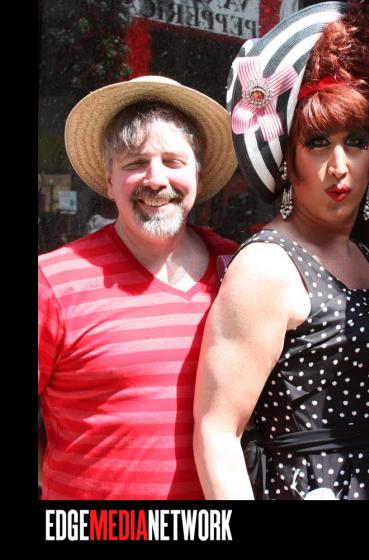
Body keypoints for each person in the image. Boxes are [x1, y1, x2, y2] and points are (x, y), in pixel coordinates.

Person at [193, 0, 369, 500]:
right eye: (318, 143)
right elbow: (216, 433)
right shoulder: (267, 267)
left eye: (355, 141)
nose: (339, 165)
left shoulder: (364, 257)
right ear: (287, 160)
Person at [38, 75, 238, 499]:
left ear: (198, 176)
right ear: (108, 180)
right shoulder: (53, 282)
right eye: (135, 163)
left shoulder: (237, 271)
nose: (156, 179)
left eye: (173, 161)